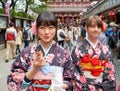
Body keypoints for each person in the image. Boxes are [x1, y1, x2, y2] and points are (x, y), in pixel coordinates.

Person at [7, 12, 84, 91]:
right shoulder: (26, 52)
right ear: (36, 29)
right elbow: (13, 81)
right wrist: (34, 69)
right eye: (42, 27)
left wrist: (62, 86)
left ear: (56, 29)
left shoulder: (64, 54)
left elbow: (72, 80)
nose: (47, 32)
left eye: (51, 27)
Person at [71, 15, 116, 91]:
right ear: (86, 28)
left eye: (98, 27)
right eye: (92, 27)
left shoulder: (106, 49)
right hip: (83, 88)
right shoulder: (78, 49)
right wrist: (85, 87)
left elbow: (110, 73)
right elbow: (74, 71)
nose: (96, 30)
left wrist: (102, 88)